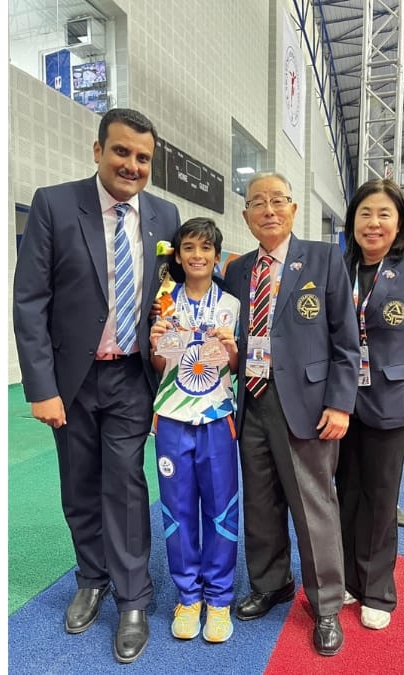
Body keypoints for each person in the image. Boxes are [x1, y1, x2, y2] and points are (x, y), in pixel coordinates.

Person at [11, 108, 180, 665]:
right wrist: (41, 386)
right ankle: (92, 576)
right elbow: (31, 301)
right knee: (79, 484)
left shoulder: (164, 214)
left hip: (133, 376)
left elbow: (172, 298)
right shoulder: (55, 205)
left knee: (127, 486)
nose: (132, 165)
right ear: (97, 149)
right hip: (72, 379)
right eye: (122, 152)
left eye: (143, 158)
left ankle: (133, 597)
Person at [224, 172, 360, 657]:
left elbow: (347, 341)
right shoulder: (237, 272)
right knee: (259, 503)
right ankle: (271, 582)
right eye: (257, 203)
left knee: (313, 506)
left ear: (294, 208)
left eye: (277, 200)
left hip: (307, 405)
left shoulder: (324, 260)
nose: (268, 210)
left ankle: (325, 604)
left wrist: (341, 402)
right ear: (246, 215)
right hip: (252, 402)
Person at [334, 178, 404, 630]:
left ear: (399, 221)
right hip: (341, 400)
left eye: (384, 214)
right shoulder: (337, 266)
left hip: (391, 401)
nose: (373, 223)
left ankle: (377, 588)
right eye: (365, 213)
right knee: (345, 493)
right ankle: (344, 577)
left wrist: (400, 370)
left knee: (381, 497)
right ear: (353, 220)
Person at [147, 218, 241, 644]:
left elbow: (239, 368)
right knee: (176, 508)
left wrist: (234, 349)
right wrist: (156, 342)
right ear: (179, 256)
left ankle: (219, 598)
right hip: (171, 417)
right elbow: (160, 367)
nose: (197, 255)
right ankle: (189, 596)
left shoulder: (232, 305)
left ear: (216, 256)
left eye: (205, 248)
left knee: (221, 509)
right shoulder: (165, 302)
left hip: (218, 417)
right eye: (189, 248)